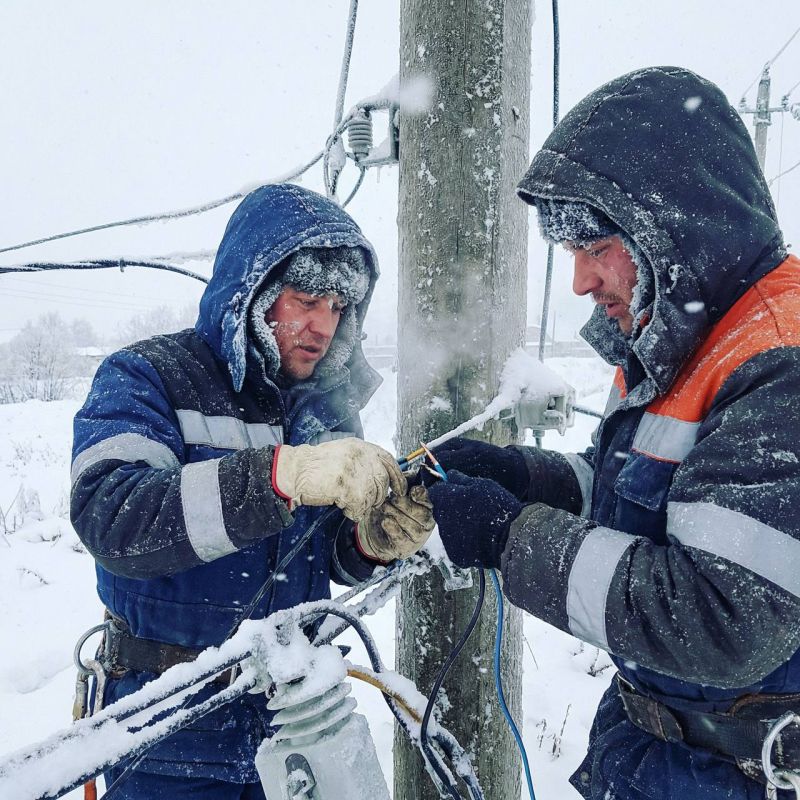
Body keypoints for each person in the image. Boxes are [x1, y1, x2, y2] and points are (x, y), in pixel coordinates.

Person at [427, 67, 800, 799]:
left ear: (671, 223)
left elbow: (723, 618)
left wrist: (510, 538)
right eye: (571, 254)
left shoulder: (778, 363)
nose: (579, 282)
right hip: (665, 755)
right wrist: (524, 477)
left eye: (594, 247)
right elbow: (637, 497)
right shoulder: (683, 338)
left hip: (739, 772)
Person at [70, 183, 434, 799]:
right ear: (253, 290)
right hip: (167, 736)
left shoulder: (323, 410)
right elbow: (113, 515)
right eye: (306, 298)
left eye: (339, 306)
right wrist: (277, 476)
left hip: (299, 725)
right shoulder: (148, 376)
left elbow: (324, 556)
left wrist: (371, 541)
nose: (322, 325)